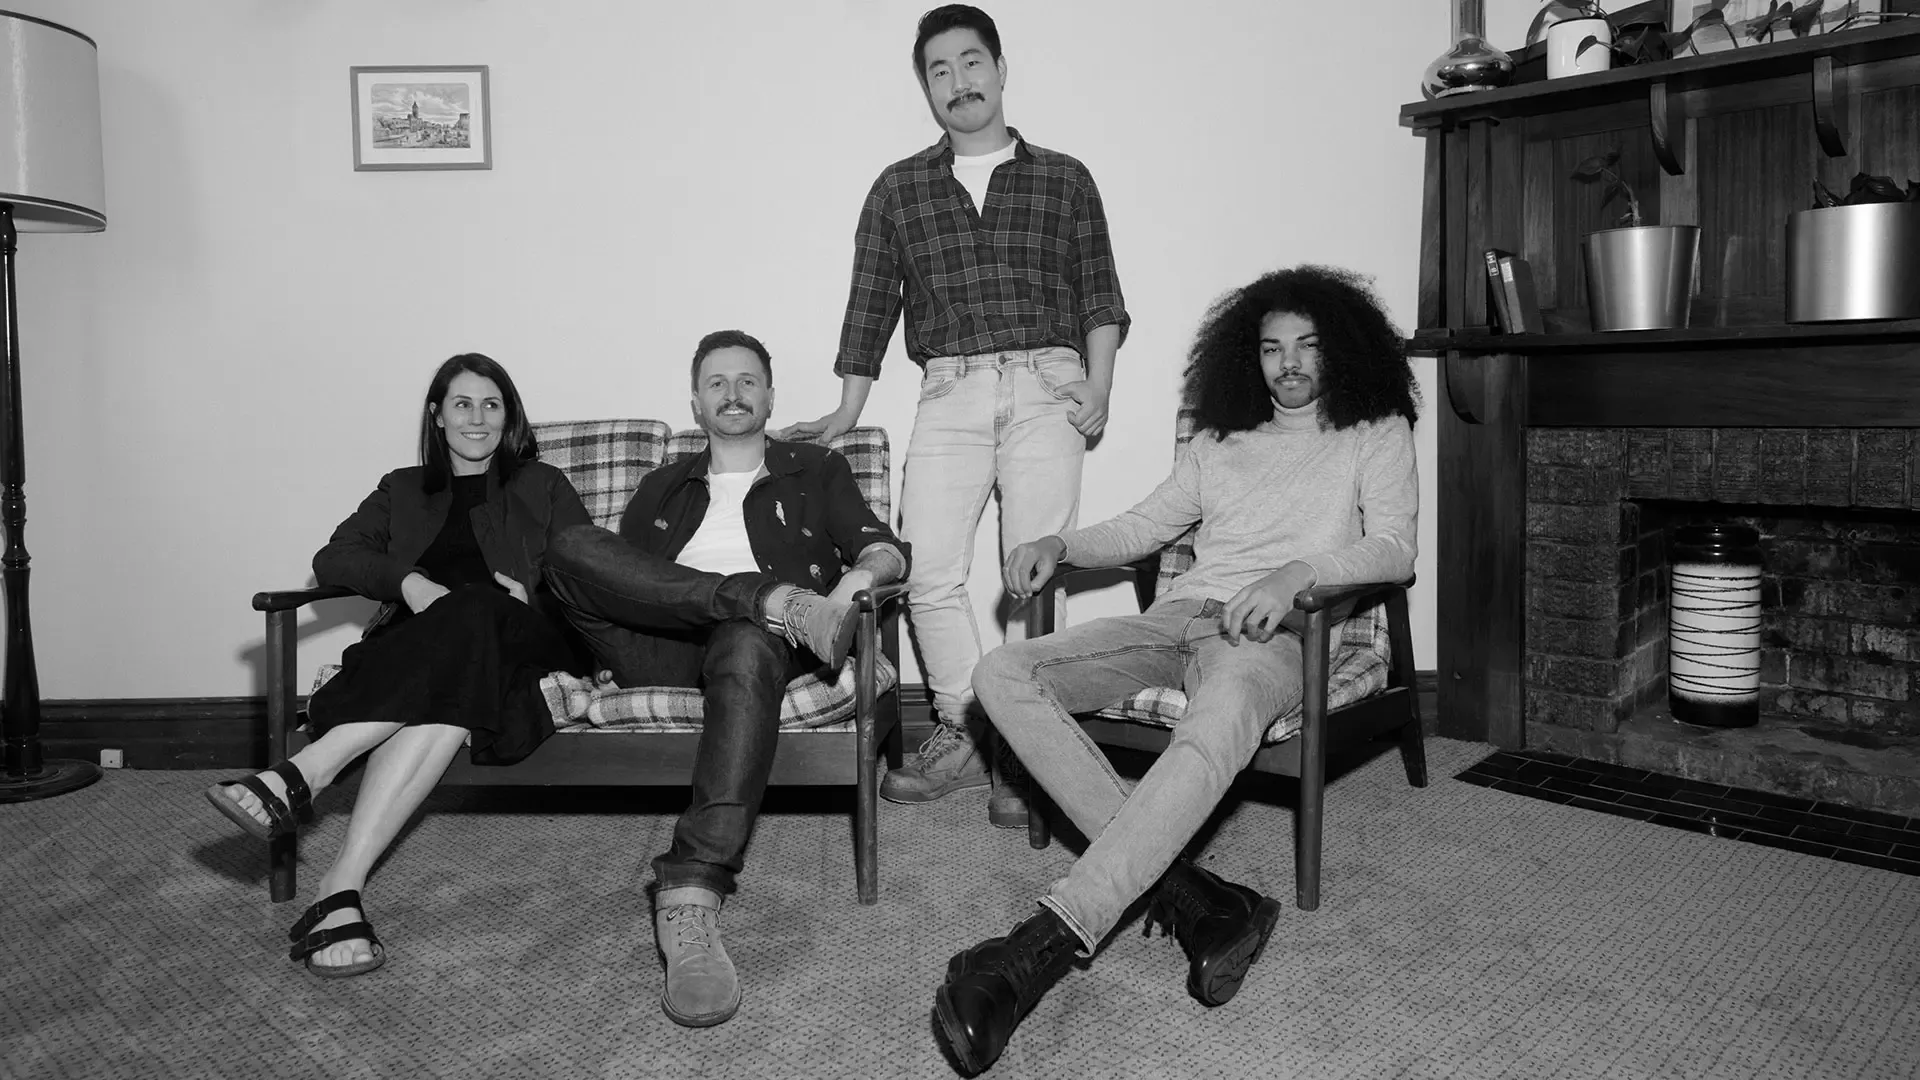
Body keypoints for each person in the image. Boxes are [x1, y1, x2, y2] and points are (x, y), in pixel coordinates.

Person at [931, 266, 1421, 1075]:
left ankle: (1046, 942)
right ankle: (1196, 898)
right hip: (1176, 617)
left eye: (1306, 346)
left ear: (1341, 351)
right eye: (1271, 348)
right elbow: (1144, 526)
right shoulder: (1219, 440)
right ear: (1249, 357)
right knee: (1003, 674)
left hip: (1274, 633)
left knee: (1216, 723)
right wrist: (1061, 544)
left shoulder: (1374, 430)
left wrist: (1291, 577)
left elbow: (1396, 548)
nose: (1288, 363)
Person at [778, 4, 1129, 829]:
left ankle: (1023, 747)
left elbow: (1099, 291)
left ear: (1001, 71)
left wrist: (1101, 385)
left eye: (972, 63)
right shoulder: (899, 189)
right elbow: (871, 305)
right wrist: (848, 405)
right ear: (926, 89)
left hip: (1049, 381)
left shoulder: (1065, 177)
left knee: (1032, 573)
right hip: (951, 386)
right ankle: (969, 726)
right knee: (925, 566)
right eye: (939, 71)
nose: (958, 82)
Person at [542, 329, 909, 1029]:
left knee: (743, 637)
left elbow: (884, 548)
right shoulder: (662, 485)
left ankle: (691, 892)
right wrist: (756, 593)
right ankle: (764, 597)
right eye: (717, 383)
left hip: (764, 646)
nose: (733, 394)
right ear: (696, 401)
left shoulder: (815, 469)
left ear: (770, 395)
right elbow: (632, 585)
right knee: (568, 544)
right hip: (663, 642)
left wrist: (853, 583)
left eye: (747, 381)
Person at [205, 353, 590, 978]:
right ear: (437, 416)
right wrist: (408, 584)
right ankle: (339, 892)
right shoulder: (403, 488)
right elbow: (334, 558)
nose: (477, 418)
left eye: (492, 405)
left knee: (478, 607)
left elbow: (588, 566)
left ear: (509, 418)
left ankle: (304, 773)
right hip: (433, 663)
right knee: (443, 707)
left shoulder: (542, 484)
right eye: (462, 404)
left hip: (522, 640)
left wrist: (536, 597)